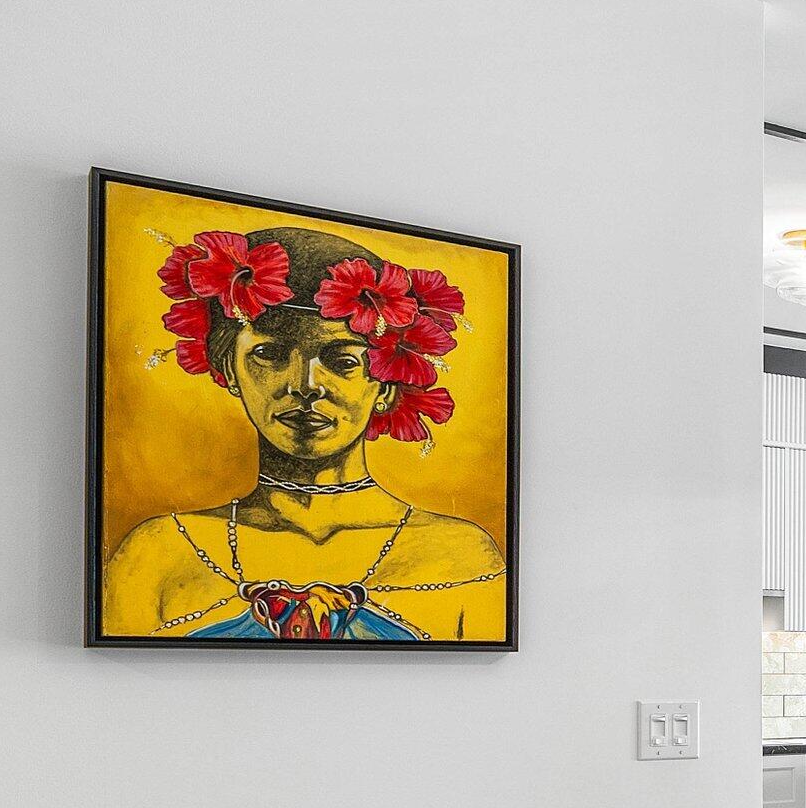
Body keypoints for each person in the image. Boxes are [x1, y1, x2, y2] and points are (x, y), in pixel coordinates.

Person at [101, 225, 505, 640]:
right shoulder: (158, 554)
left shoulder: (463, 556)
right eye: (269, 354)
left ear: (386, 384)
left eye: (343, 362)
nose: (306, 385)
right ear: (229, 370)